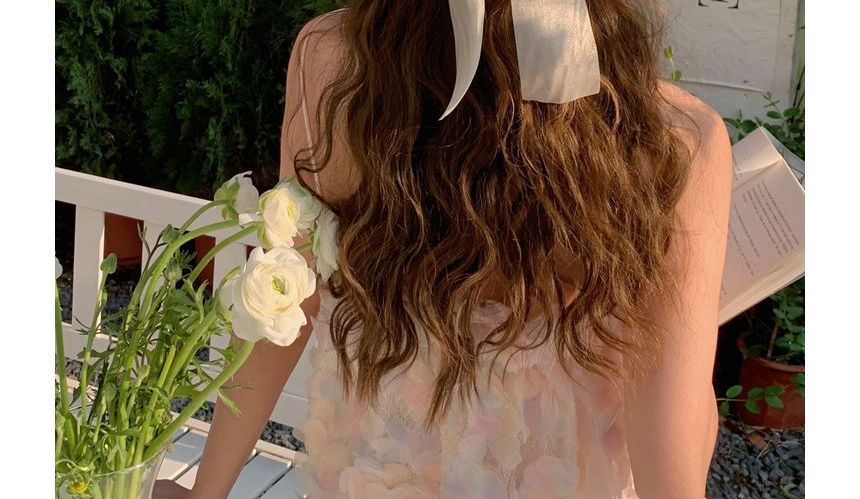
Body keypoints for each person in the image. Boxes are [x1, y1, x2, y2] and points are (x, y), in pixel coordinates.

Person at [155, 0, 732, 497]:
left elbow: (279, 307)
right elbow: (671, 473)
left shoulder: (330, 64)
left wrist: (207, 490)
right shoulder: (672, 143)